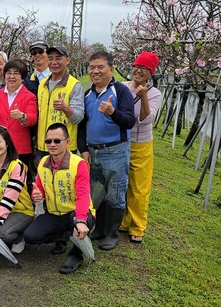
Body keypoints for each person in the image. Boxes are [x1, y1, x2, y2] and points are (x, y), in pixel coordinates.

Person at [77, 51, 135, 250]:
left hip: (115, 151)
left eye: (100, 67)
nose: (95, 71)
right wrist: (83, 149)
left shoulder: (121, 91)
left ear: (111, 69)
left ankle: (111, 233)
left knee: (115, 192)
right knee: (95, 192)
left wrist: (112, 112)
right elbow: (82, 125)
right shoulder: (87, 93)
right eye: (92, 67)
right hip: (93, 153)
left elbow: (129, 121)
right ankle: (99, 229)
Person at [24, 123, 96, 274]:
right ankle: (64, 235)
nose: (52, 144)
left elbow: (83, 194)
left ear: (67, 141)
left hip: (76, 212)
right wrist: (37, 195)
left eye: (57, 141)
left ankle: (76, 254)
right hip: (54, 214)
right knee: (30, 236)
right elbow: (39, 187)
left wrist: (81, 219)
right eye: (48, 141)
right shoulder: (42, 162)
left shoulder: (78, 164)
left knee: (77, 224)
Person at [120, 52, 162, 243]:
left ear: (150, 73)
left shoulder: (154, 94)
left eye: (144, 68)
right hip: (120, 141)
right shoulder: (122, 87)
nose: (139, 70)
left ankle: (137, 226)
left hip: (140, 144)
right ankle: (121, 220)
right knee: (120, 184)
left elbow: (147, 120)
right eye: (137, 66)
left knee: (139, 186)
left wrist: (143, 97)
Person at [0, 126, 34, 254]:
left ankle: (19, 238)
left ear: (7, 143)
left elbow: (10, 197)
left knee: (3, 233)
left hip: (22, 211)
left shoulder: (17, 166)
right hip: (2, 210)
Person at [0, 59, 37, 176]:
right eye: (9, 73)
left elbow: (33, 117)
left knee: (20, 183)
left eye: (16, 73)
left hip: (20, 148)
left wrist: (23, 116)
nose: (12, 77)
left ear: (23, 77)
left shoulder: (30, 97)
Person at [35, 46, 84, 160]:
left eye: (58, 58)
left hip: (64, 148)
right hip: (43, 146)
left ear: (67, 60)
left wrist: (65, 108)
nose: (54, 62)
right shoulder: (42, 84)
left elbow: (78, 118)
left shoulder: (74, 85)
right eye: (50, 58)